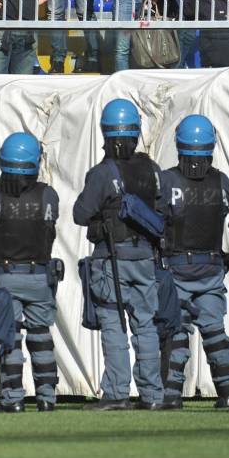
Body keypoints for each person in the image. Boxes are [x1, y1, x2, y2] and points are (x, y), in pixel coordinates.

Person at [72, 99, 165, 410]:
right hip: (146, 259)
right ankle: (153, 395)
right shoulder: (152, 169)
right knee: (146, 325)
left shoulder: (102, 173)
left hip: (112, 259)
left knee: (113, 323)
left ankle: (116, 393)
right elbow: (163, 211)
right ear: (136, 132)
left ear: (105, 133)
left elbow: (80, 214)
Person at [0, 132, 61, 413]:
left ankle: (13, 399)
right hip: (39, 276)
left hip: (6, 275)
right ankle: (47, 397)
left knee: (9, 337)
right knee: (41, 337)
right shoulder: (48, 195)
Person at [159, 115, 229, 410]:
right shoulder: (222, 180)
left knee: (176, 335)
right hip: (212, 270)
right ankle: (228, 393)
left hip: (177, 268)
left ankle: (171, 395)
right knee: (215, 333)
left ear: (180, 144)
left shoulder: (167, 180)